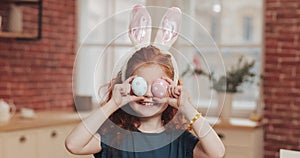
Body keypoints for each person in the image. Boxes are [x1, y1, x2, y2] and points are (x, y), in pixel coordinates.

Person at [65, 5, 225, 158]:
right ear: (126, 85)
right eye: (139, 86)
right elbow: (73, 145)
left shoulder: (179, 140)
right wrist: (113, 103)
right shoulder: (115, 137)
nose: (148, 94)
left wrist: (186, 107)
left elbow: (217, 153)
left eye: (157, 87)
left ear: (172, 89)